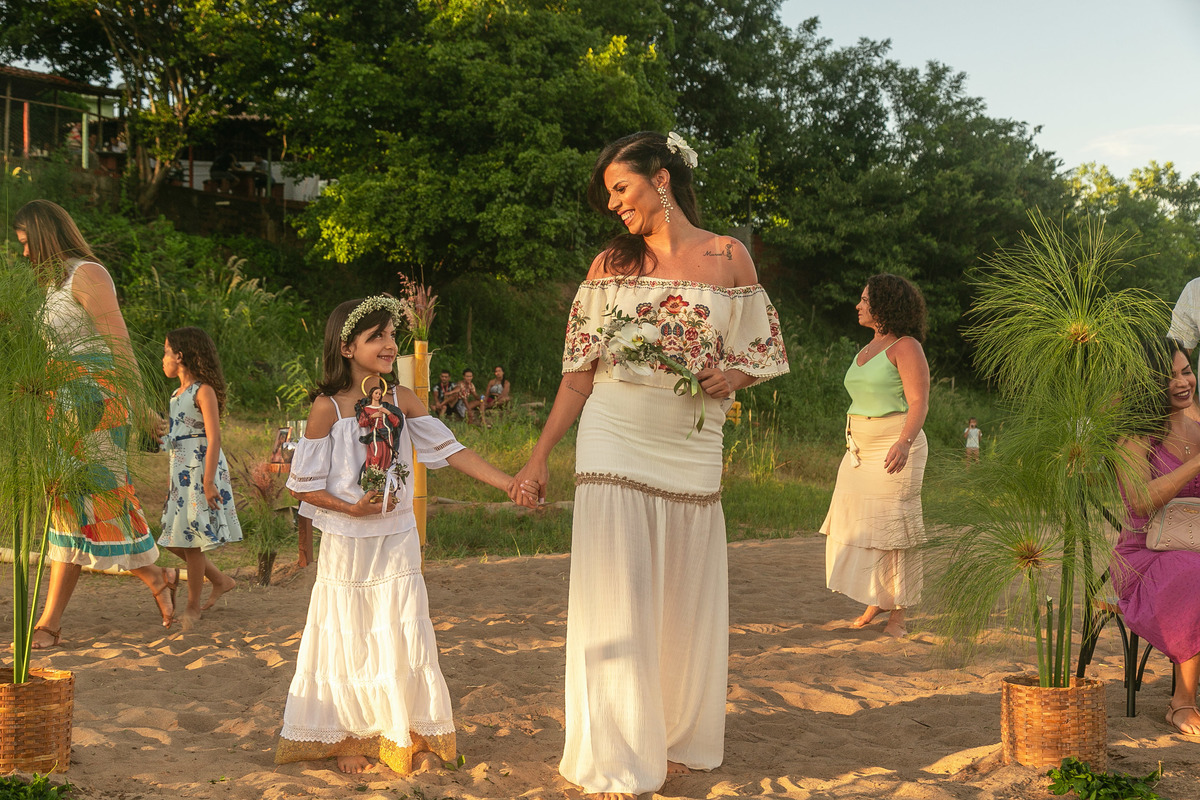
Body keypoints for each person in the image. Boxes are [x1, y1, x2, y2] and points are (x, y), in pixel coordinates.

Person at [512, 131, 788, 799]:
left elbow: (763, 351)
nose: (613, 205)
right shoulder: (610, 267)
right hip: (613, 430)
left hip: (691, 441)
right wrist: (539, 456)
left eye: (620, 189)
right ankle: (615, 753)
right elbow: (579, 375)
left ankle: (674, 737)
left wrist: (733, 376)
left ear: (660, 179)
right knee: (618, 593)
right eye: (608, 195)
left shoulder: (728, 257)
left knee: (679, 595)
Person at [276, 296, 526, 775]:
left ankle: (395, 728)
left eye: (393, 335)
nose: (391, 345)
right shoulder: (327, 409)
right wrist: (351, 506)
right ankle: (346, 735)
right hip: (349, 544)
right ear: (347, 348)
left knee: (397, 624)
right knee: (349, 631)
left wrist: (507, 482)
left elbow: (452, 450)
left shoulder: (402, 399)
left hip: (398, 536)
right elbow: (302, 486)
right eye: (378, 337)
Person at [14, 200, 176, 648]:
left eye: (28, 244)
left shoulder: (88, 274)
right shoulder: (53, 286)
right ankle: (153, 576)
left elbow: (118, 344)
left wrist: (141, 407)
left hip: (97, 404)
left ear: (47, 235)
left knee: (100, 497)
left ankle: (51, 622)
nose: (25, 255)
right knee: (66, 505)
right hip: (61, 407)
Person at [820, 274, 930, 639]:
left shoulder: (906, 346)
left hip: (894, 443)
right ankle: (879, 596)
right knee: (859, 520)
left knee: (894, 527)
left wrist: (904, 442)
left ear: (884, 306)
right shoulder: (867, 347)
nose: (858, 305)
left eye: (865, 300)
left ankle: (899, 612)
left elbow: (918, 402)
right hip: (859, 449)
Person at [1113, 339, 1200, 738]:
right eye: (1171, 377)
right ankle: (1182, 700)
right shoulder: (1135, 435)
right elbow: (1140, 500)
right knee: (1193, 571)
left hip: (1196, 541)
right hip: (1144, 551)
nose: (1183, 382)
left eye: (1187, 370)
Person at [158, 326, 242, 629]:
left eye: (167, 351)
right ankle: (220, 580)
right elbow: (177, 435)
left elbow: (214, 437)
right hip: (180, 473)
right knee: (172, 540)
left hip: (200, 471)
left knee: (190, 541)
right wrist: (160, 438)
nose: (163, 358)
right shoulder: (175, 394)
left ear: (180, 356)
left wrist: (208, 482)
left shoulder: (202, 391)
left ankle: (193, 606)